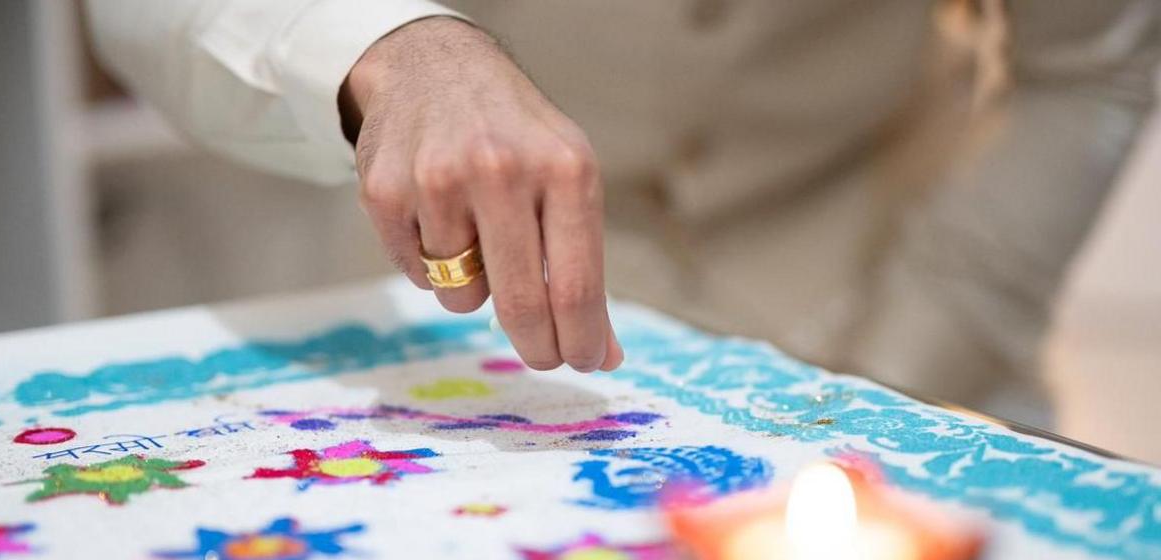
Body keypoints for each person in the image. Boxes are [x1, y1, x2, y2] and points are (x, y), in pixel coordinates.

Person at [84, 0, 1160, 412]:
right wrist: (395, 50)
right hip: (444, 329)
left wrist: (901, 374)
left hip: (899, 288)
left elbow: (1090, 69)